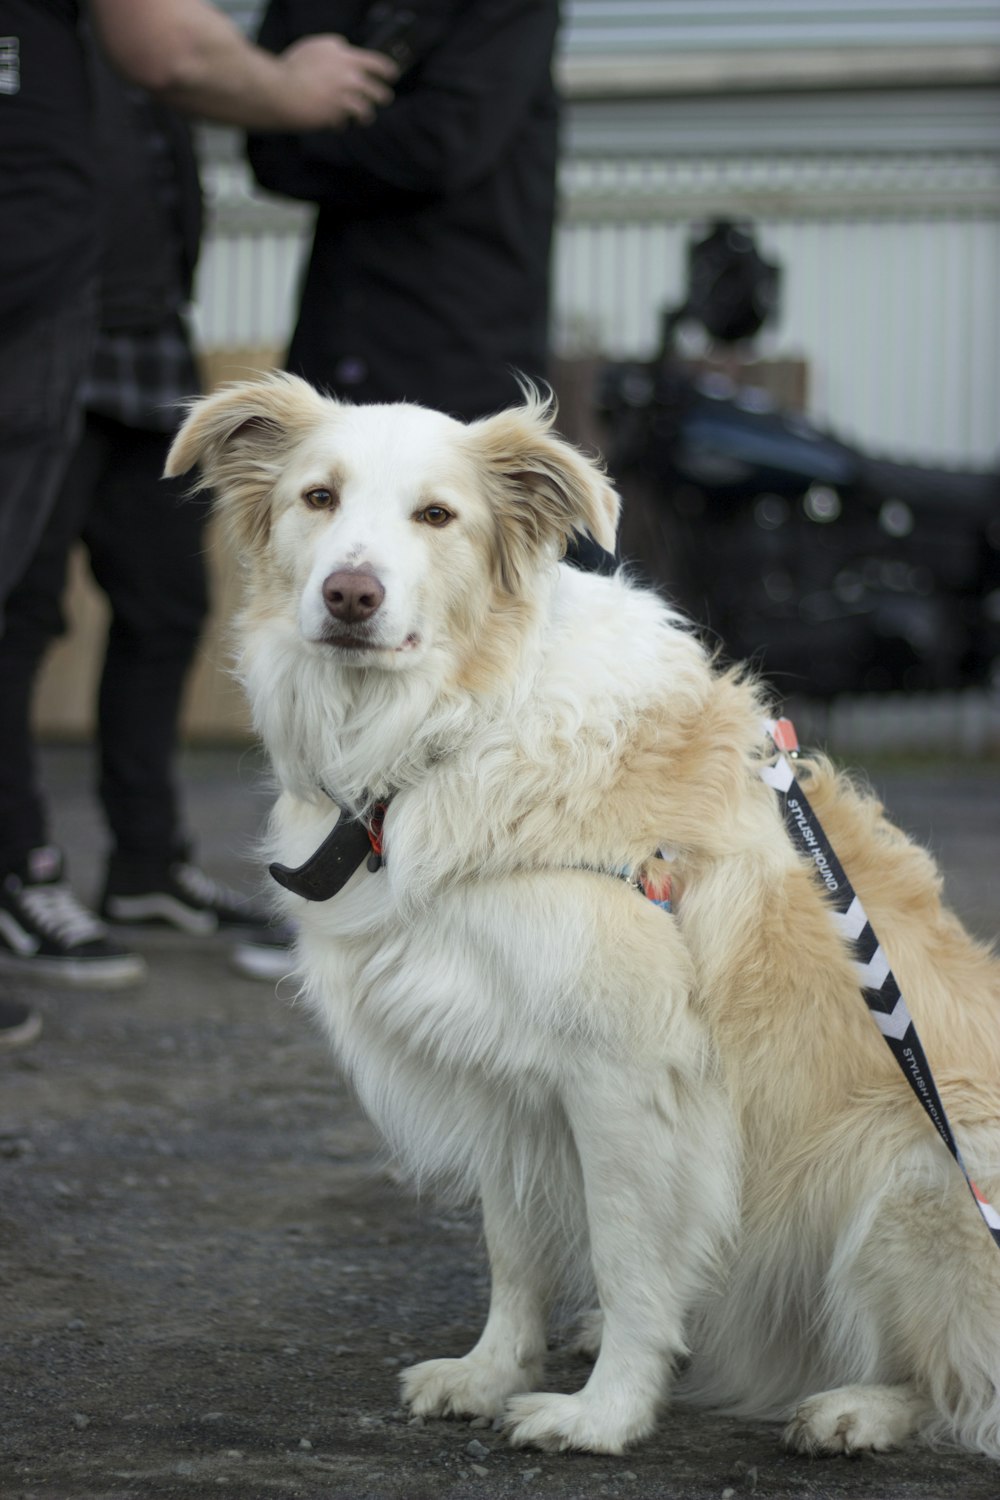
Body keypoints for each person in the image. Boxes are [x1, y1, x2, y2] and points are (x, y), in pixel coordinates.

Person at [0, 0, 396, 1048]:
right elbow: (169, 44)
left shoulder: (152, 44)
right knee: (20, 611)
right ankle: (22, 871)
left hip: (140, 333)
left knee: (168, 604)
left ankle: (145, 863)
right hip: (45, 324)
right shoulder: (97, 38)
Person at [246, 0, 561, 421]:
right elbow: (269, 146)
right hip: (336, 330)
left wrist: (316, 124)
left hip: (460, 337)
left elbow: (441, 146)